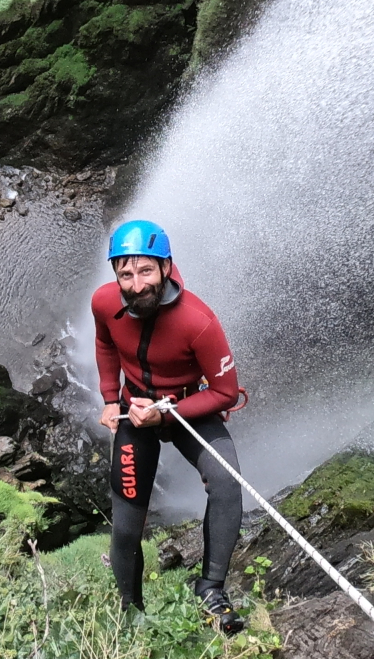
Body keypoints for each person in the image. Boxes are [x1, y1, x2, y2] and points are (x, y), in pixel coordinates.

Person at [93, 219, 246, 634]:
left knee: (227, 480)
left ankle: (211, 588)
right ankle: (131, 611)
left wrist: (168, 413)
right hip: (132, 413)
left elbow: (225, 392)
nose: (137, 284)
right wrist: (110, 398)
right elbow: (106, 342)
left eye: (146, 271)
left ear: (165, 267)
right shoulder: (105, 303)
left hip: (185, 409)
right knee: (126, 521)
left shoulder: (198, 321)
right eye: (125, 273)